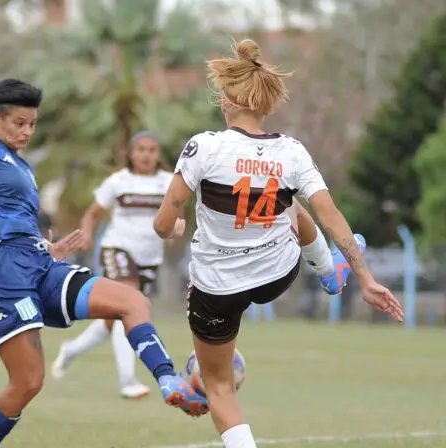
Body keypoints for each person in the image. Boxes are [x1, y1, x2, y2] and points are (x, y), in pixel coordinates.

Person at [0, 78, 208, 448]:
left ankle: (169, 380)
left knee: (133, 302)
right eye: (19, 123)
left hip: (39, 264)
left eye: (32, 124)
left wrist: (49, 249)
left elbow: (19, 221)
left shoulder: (24, 168)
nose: (27, 131)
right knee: (28, 381)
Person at [152, 38, 404, 448]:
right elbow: (332, 217)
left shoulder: (204, 147)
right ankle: (329, 273)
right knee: (290, 208)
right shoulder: (292, 152)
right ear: (265, 105)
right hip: (277, 274)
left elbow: (164, 224)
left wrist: (175, 229)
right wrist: (366, 277)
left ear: (229, 100)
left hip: (216, 288)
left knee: (219, 388)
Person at [50, 131, 183, 400]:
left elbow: (177, 218)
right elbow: (93, 213)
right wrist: (87, 233)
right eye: (141, 149)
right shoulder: (118, 181)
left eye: (152, 149)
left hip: (149, 258)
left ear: (159, 155)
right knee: (128, 303)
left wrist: (176, 230)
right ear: (131, 153)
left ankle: (70, 350)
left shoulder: (169, 183)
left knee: (116, 320)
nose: (146, 154)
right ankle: (127, 380)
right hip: (117, 248)